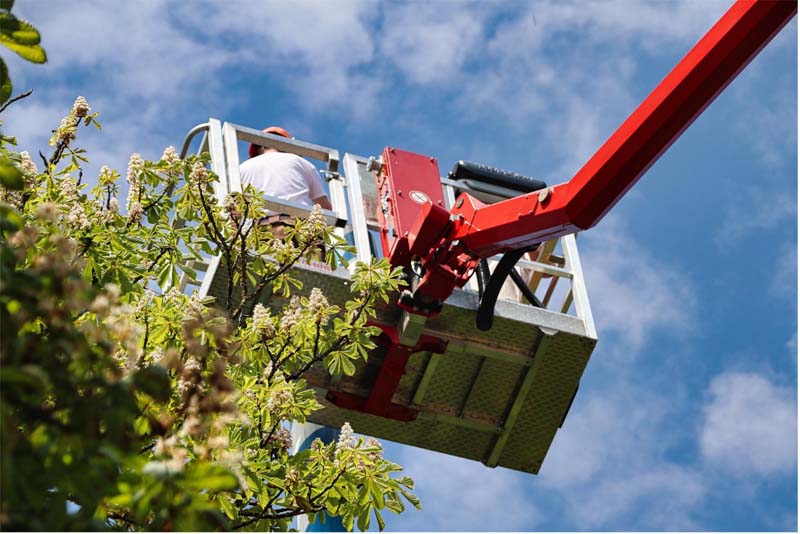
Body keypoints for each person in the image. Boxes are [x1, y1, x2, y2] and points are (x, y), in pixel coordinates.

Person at [239, 126, 332, 242]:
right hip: (300, 228)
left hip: (257, 233)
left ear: (259, 147)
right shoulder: (301, 163)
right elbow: (325, 209)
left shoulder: (241, 169)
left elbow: (233, 210)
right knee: (308, 260)